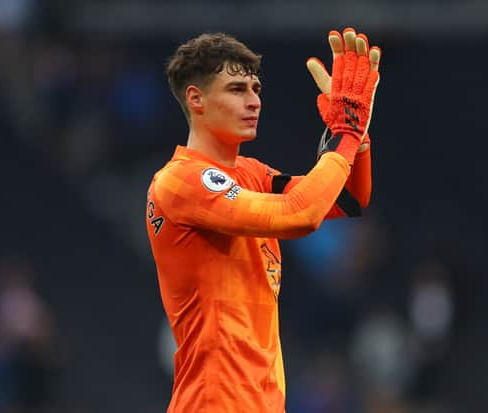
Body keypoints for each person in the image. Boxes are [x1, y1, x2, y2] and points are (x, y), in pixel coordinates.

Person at [145, 28, 381, 413]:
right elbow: (299, 215)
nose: (254, 101)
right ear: (196, 98)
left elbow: (346, 198)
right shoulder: (180, 181)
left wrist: (356, 135)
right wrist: (345, 134)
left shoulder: (251, 174)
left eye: (255, 89)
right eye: (237, 89)